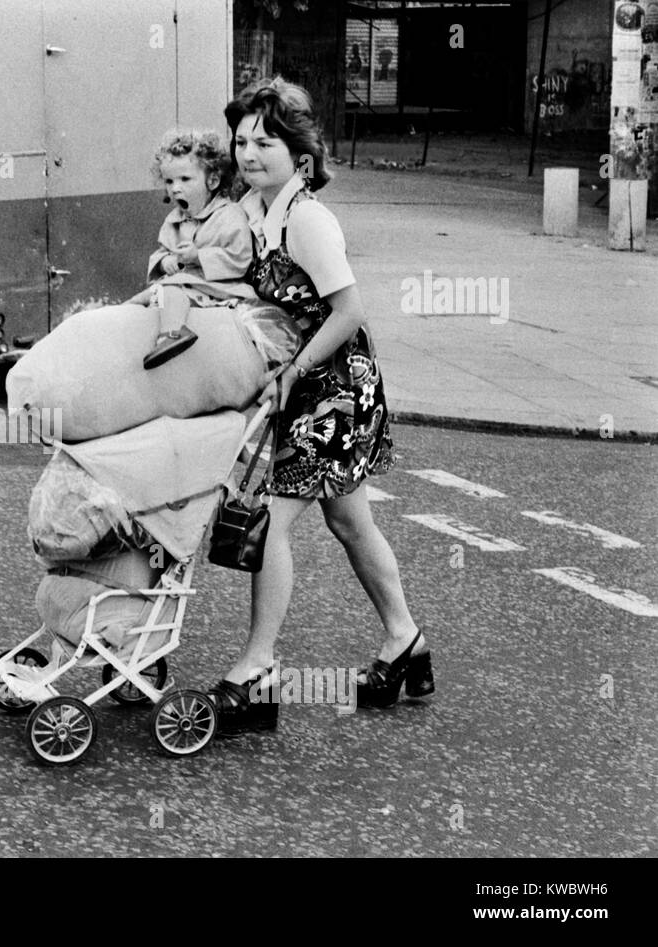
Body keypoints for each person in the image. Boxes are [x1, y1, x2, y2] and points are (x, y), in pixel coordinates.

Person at [208, 79, 434, 732]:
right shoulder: (252, 207)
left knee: (269, 524)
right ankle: (405, 643)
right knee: (350, 523)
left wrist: (292, 372)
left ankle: (257, 670)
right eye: (242, 140)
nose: (248, 152)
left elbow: (349, 311)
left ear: (300, 155)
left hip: (332, 387)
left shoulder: (307, 219)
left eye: (265, 141)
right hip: (300, 382)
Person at [127, 129, 258, 370]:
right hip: (184, 282)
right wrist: (165, 260)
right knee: (141, 299)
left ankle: (172, 334)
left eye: (185, 179)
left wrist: (199, 257)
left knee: (172, 289)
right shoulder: (174, 220)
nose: (175, 188)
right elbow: (162, 251)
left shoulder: (229, 215)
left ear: (212, 181)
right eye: (169, 181)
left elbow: (240, 257)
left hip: (219, 288)